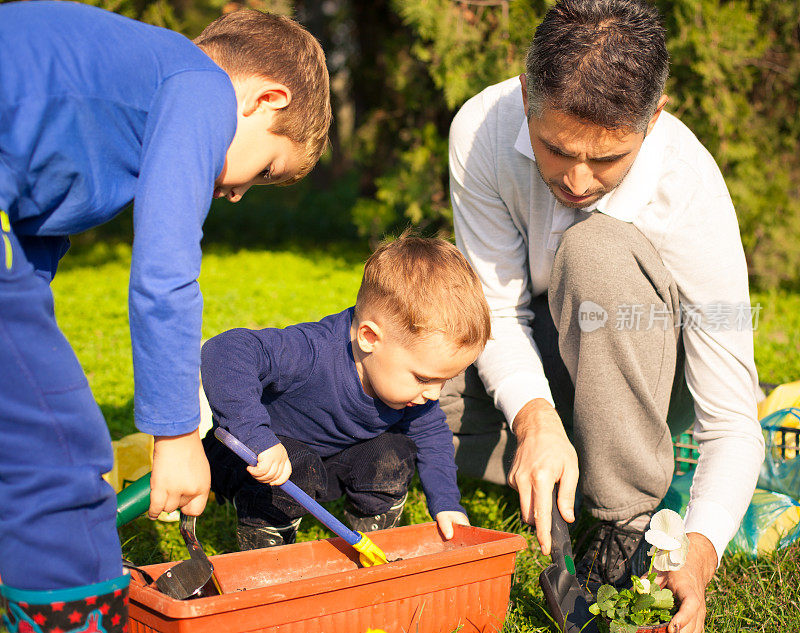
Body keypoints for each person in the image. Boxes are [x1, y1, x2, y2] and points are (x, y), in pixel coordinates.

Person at [0, 3, 330, 631]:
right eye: (263, 172)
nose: (235, 194)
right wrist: (177, 434)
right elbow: (165, 271)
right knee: (61, 452)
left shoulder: (126, 103)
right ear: (266, 99)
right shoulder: (198, 85)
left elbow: (30, 245)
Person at [442, 0, 765, 631]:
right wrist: (535, 417)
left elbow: (731, 419)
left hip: (643, 384)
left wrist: (696, 553)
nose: (578, 180)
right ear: (526, 92)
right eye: (555, 148)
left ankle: (620, 521)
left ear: (654, 119)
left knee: (597, 251)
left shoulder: (690, 190)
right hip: (550, 359)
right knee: (401, 375)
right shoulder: (480, 129)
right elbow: (497, 311)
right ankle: (547, 460)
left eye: (608, 159)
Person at [200, 235, 490, 550]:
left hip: (323, 464)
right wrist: (258, 438)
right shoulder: (311, 352)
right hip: (252, 460)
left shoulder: (409, 390)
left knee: (392, 454)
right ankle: (269, 551)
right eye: (423, 378)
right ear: (369, 337)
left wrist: (446, 503)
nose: (433, 394)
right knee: (299, 468)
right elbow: (224, 351)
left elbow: (433, 440)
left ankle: (371, 536)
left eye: (445, 381)